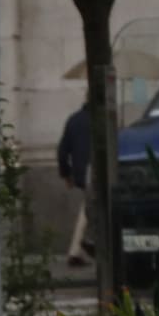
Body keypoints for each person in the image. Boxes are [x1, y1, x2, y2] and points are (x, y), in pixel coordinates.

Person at [57, 102, 95, 267]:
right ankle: (81, 247)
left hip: (80, 172)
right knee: (91, 207)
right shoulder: (101, 121)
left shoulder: (73, 120)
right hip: (96, 170)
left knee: (88, 206)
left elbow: (62, 150)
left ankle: (77, 250)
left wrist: (66, 173)